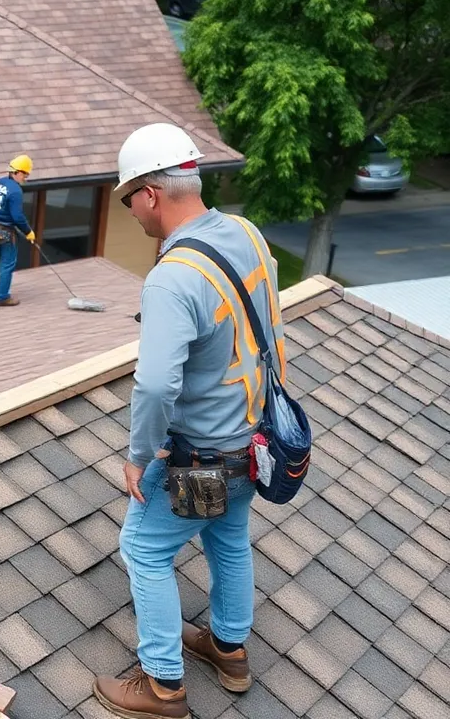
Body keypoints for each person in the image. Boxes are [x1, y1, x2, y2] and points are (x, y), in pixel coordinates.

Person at [92, 123, 287, 719]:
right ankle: (229, 650)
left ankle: (162, 686)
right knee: (227, 538)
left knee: (143, 551)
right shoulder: (246, 234)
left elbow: (154, 383)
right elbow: (270, 329)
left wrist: (138, 454)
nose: (131, 214)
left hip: (199, 455)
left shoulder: (174, 276)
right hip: (252, 442)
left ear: (150, 193)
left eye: (129, 200)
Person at [0, 154, 37, 306]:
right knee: (8, 263)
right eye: (25, 174)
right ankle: (3, 297)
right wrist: (28, 231)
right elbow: (17, 216)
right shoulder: (15, 191)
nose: (26, 178)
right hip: (5, 230)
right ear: (16, 172)